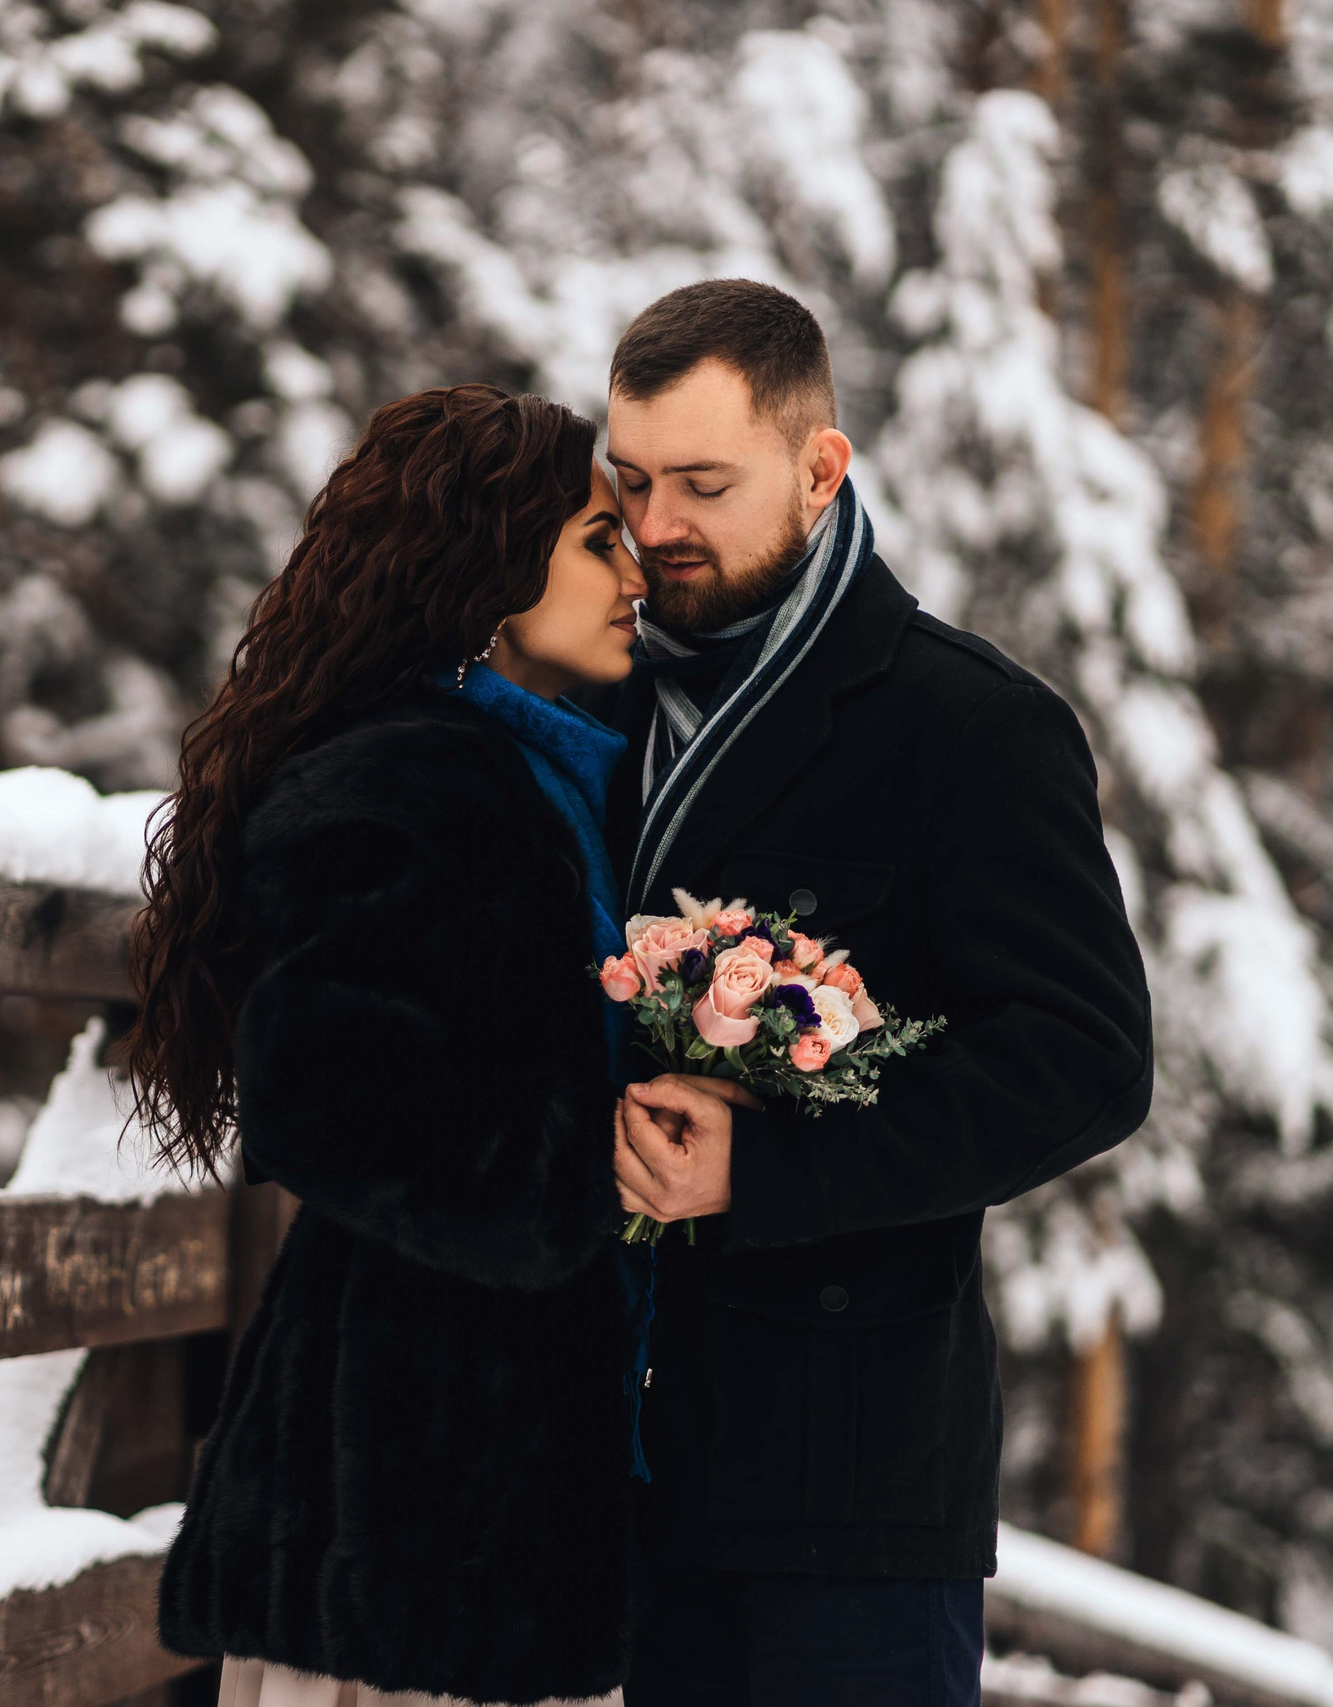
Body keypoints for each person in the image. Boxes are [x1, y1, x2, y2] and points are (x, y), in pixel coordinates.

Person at [598, 280, 1155, 1705]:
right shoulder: (584, 699)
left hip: (847, 1474)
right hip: (577, 1455)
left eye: (704, 484)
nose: (658, 524)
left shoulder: (970, 726)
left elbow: (1085, 1059)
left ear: (821, 467)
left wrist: (767, 1164)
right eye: (635, 479)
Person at [134, 384, 652, 1707]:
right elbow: (329, 1102)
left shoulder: (557, 775)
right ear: (493, 561)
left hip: (501, 1477)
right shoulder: (408, 783)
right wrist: (577, 1181)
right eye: (599, 538)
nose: (633, 568)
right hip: (417, 1485)